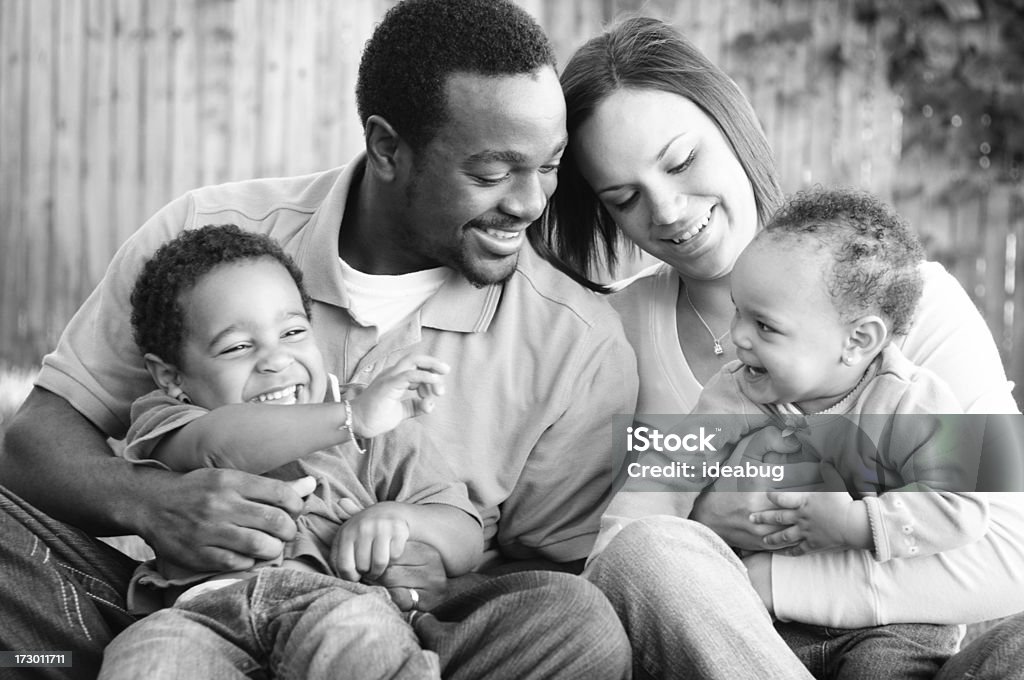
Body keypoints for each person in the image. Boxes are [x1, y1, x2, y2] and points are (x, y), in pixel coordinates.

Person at [0, 1, 637, 678]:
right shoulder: (205, 240)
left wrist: (421, 566)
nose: (532, 203)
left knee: (577, 623)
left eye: (550, 166)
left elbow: (545, 565)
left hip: (397, 626)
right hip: (181, 614)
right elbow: (34, 443)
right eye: (489, 175)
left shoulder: (578, 342)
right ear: (389, 146)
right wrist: (152, 504)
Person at [544, 15, 1024, 680]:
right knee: (650, 553)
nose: (670, 212)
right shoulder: (614, 336)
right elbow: (624, 543)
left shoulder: (908, 307)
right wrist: (701, 531)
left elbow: (1007, 545)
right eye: (625, 199)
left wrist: (776, 566)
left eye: (682, 161)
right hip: (721, 639)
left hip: (898, 633)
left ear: (733, 126)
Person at [97, 224, 481, 679]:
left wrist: (402, 519)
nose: (276, 360)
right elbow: (218, 447)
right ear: (172, 378)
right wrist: (350, 418)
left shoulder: (381, 423)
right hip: (202, 615)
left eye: (294, 331)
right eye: (238, 347)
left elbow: (465, 536)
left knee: (364, 638)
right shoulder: (171, 420)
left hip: (339, 607)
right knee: (148, 662)